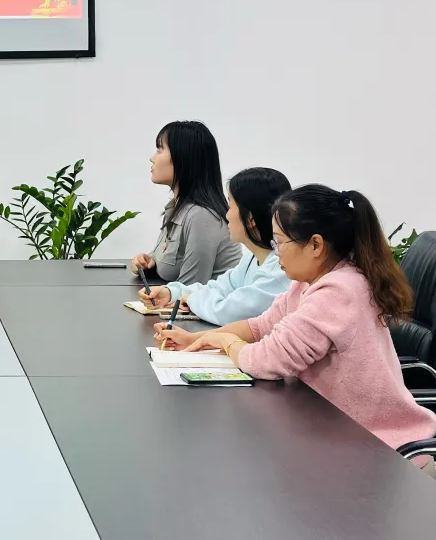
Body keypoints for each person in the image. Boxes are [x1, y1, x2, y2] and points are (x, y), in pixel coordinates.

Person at [156, 185, 436, 476]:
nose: (276, 252)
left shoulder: (339, 291)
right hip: (337, 433)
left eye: (280, 242)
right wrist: (197, 339)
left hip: (380, 452)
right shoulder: (309, 282)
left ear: (315, 245)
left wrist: (227, 343)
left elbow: (267, 360)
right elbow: (260, 326)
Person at [139, 167, 291, 325]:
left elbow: (230, 313)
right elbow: (218, 288)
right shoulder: (252, 260)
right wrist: (172, 292)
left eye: (230, 206)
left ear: (250, 219)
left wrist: (191, 299)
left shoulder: (280, 270)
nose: (226, 214)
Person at [131, 121, 241, 285]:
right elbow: (167, 263)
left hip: (198, 302)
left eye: (160, 149)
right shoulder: (177, 208)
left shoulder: (201, 216)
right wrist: (147, 262)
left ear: (183, 158)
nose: (152, 158)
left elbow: (190, 289)